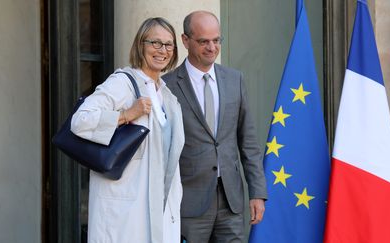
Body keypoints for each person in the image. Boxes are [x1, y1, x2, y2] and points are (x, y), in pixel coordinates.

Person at [70, 17, 184, 243]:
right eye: (155, 43)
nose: (163, 50)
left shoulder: (167, 96)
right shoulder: (122, 83)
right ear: (141, 45)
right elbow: (80, 121)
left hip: (159, 209)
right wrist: (125, 115)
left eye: (168, 44)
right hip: (124, 213)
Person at [163, 10, 267, 242]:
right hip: (188, 202)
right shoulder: (167, 86)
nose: (212, 47)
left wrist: (257, 192)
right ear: (185, 40)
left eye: (216, 40)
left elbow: (248, 141)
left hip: (231, 201)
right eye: (203, 41)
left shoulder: (235, 79)